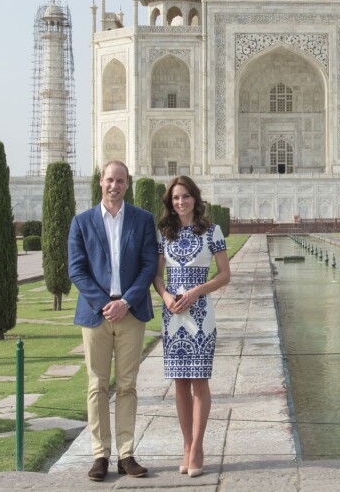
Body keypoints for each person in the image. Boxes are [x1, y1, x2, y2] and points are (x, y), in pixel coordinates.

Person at [68, 161, 157, 482]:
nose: (114, 186)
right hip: (96, 313)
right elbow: (77, 269)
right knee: (97, 385)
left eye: (120, 181)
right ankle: (99, 455)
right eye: (109, 180)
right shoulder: (82, 222)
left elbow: (149, 266)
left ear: (127, 184)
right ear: (100, 182)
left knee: (128, 385)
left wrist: (126, 301)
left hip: (131, 313)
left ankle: (126, 454)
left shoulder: (143, 220)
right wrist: (107, 303)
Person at [153, 176, 230, 478]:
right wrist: (166, 295)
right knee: (180, 383)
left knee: (199, 381)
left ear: (196, 199)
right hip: (173, 314)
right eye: (175, 198)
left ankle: (197, 447)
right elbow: (157, 276)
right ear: (170, 203)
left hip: (200, 314)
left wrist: (197, 291)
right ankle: (186, 445)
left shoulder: (212, 232)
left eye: (185, 196)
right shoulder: (164, 234)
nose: (181, 202)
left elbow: (225, 275)